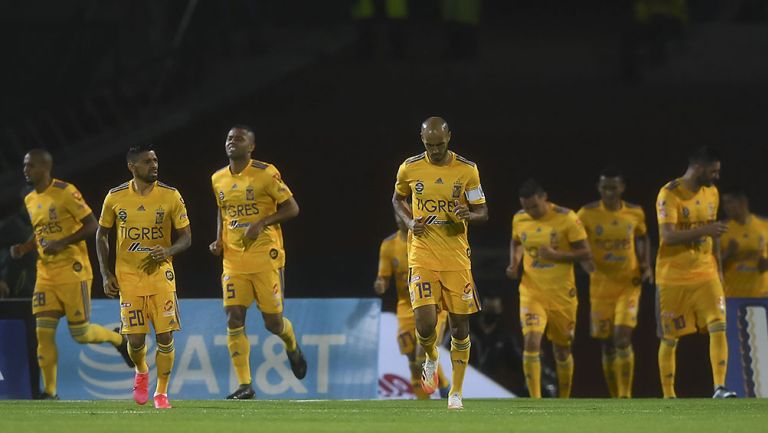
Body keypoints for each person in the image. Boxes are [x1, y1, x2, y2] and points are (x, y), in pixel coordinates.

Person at [10, 149, 132, 400]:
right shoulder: (30, 199)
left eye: (30, 165)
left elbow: (93, 225)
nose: (25, 170)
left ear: (45, 168)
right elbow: (41, 232)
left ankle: (118, 339)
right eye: (24, 165)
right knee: (42, 332)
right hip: (45, 275)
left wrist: (63, 242)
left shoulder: (66, 192)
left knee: (81, 334)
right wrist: (24, 247)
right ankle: (50, 392)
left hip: (73, 271)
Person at [392, 116, 488, 409]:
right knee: (425, 323)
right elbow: (397, 199)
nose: (435, 150)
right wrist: (409, 222)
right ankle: (432, 358)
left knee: (460, 328)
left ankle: (455, 392)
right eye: (429, 145)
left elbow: (482, 211)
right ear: (423, 141)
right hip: (421, 254)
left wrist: (467, 215)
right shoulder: (410, 167)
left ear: (449, 138)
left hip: (457, 258)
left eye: (440, 144)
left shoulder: (467, 170)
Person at [209, 125, 306, 400]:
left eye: (239, 138)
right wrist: (219, 240)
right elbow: (222, 210)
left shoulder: (266, 173)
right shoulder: (217, 178)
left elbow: (292, 207)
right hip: (233, 260)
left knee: (272, 323)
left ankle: (292, 345)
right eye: (229, 137)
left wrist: (262, 222)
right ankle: (245, 384)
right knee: (233, 317)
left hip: (266, 257)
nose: (232, 141)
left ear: (250, 146)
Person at [95, 144, 192, 409]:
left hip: (161, 275)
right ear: (132, 166)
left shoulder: (171, 196)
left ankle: (161, 393)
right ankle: (141, 371)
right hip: (128, 277)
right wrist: (105, 273)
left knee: (165, 336)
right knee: (135, 340)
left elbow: (186, 238)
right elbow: (101, 234)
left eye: (156, 160)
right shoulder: (115, 197)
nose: (154, 165)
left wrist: (169, 250)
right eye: (148, 161)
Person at [654, 146, 736, 398]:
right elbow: (667, 236)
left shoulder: (712, 193)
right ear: (699, 167)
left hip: (706, 272)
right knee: (670, 337)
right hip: (673, 276)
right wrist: (705, 231)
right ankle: (669, 396)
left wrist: (719, 271)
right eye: (714, 171)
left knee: (719, 324)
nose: (716, 177)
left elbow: (715, 234)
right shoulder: (669, 194)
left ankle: (719, 387)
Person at [506, 179, 593, 399]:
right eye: (526, 207)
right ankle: (536, 401)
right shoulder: (519, 218)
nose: (531, 212)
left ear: (544, 197)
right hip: (531, 292)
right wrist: (514, 263)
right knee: (531, 341)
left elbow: (586, 253)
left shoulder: (567, 218)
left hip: (562, 295)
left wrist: (557, 256)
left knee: (562, 350)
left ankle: (563, 399)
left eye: (534, 206)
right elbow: (516, 242)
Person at [577, 169, 652, 398]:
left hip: (628, 283)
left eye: (613, 187)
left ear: (622, 188)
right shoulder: (586, 214)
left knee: (622, 337)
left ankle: (625, 395)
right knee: (607, 343)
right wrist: (584, 260)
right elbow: (575, 240)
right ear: (599, 188)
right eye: (604, 187)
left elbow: (642, 237)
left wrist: (646, 264)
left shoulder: (635, 213)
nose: (609, 192)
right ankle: (615, 395)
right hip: (600, 286)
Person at [374, 212, 450, 399]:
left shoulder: (428, 239)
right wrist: (380, 285)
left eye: (406, 214)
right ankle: (423, 405)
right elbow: (383, 277)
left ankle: (445, 385)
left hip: (433, 303)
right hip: (406, 308)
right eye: (398, 214)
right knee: (412, 360)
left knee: (420, 355)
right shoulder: (389, 245)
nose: (401, 218)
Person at [719, 187, 768, 298]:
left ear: (743, 202)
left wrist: (763, 260)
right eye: (724, 203)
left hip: (761, 296)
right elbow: (713, 267)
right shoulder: (721, 230)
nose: (725, 207)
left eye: (729, 202)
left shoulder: (764, 226)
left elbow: (764, 265)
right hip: (732, 296)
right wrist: (728, 254)